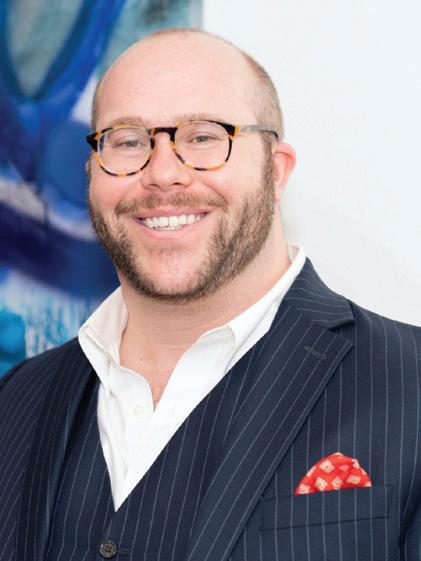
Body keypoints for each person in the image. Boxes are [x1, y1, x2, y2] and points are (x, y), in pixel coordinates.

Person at [0, 28, 420, 561]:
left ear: (275, 171)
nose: (162, 174)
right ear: (92, 174)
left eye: (203, 137)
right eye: (127, 141)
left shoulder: (410, 383)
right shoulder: (16, 400)